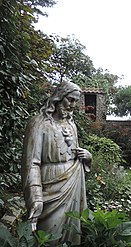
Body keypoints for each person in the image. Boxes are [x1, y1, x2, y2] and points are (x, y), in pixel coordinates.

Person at [21, 81, 92, 245]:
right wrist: (35, 197)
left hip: (72, 183)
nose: (73, 105)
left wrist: (87, 157)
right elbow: (31, 164)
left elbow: (74, 154)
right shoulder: (38, 124)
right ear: (59, 97)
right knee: (49, 235)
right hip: (50, 185)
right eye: (70, 100)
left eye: (76, 101)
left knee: (72, 231)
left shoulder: (71, 125)